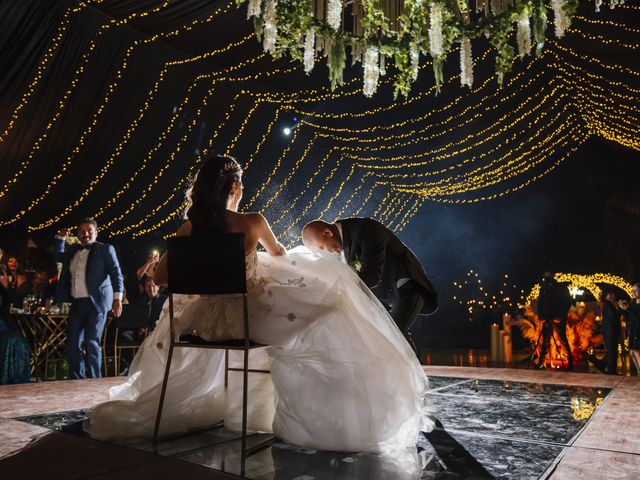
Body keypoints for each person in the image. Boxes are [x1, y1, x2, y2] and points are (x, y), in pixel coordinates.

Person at [84, 155, 434, 454]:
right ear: (234, 189)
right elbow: (279, 255)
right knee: (317, 315)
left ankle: (235, 409)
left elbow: (160, 279)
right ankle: (278, 415)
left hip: (196, 325)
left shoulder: (187, 230)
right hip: (243, 323)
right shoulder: (252, 222)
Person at [301, 218, 437, 355]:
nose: (325, 252)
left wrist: (339, 292)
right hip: (384, 295)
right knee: (386, 336)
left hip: (406, 286)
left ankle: (416, 375)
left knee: (396, 333)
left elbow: (371, 275)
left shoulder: (367, 229)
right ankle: (411, 374)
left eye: (321, 248)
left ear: (327, 233)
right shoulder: (342, 242)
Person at [53, 219, 124, 379]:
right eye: (81, 230)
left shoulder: (105, 249)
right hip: (77, 302)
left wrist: (117, 298)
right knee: (72, 343)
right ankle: (76, 380)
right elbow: (57, 256)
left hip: (97, 303)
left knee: (92, 341)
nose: (85, 233)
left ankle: (94, 381)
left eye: (89, 230)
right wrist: (61, 238)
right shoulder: (73, 250)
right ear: (77, 233)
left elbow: (116, 273)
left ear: (96, 232)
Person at [536, 271, 573, 370]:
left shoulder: (561, 287)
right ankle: (541, 362)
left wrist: (561, 315)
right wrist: (541, 316)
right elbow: (540, 302)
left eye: (548, 274)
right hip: (547, 316)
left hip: (558, 316)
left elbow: (567, 301)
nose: (546, 276)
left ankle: (570, 363)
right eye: (545, 274)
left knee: (562, 339)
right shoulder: (544, 287)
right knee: (546, 340)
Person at [620, 283, 640, 375]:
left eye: (635, 290)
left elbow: (637, 318)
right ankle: (638, 372)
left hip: (638, 332)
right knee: (631, 352)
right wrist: (624, 308)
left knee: (636, 352)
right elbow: (628, 318)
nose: (633, 292)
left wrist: (628, 309)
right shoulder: (632, 303)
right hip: (632, 331)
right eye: (632, 291)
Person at [601, 290, 621, 375]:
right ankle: (611, 370)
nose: (613, 296)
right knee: (612, 350)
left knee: (612, 350)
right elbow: (614, 316)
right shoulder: (607, 304)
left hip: (610, 331)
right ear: (607, 295)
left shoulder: (608, 304)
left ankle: (609, 368)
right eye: (611, 294)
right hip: (610, 331)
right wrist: (620, 308)